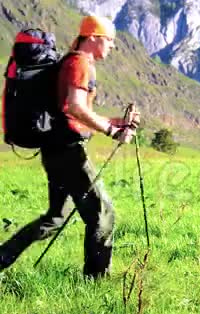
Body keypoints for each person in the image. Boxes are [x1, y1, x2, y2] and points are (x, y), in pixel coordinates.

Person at [0, 16, 140, 278]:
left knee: (55, 218)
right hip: (67, 153)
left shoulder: (69, 61)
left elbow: (75, 112)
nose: (111, 47)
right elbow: (74, 107)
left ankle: (2, 257)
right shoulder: (79, 63)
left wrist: (118, 123)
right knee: (103, 214)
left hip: (54, 150)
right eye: (110, 41)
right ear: (95, 38)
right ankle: (96, 283)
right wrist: (111, 131)